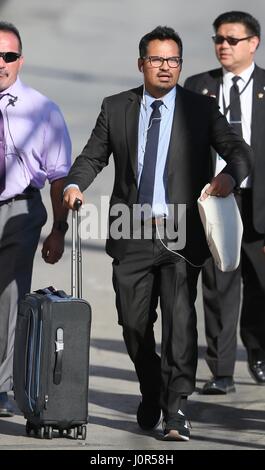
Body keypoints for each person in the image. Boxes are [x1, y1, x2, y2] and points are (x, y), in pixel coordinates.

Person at [63, 25, 252, 441]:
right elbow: (93, 156)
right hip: (130, 231)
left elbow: (238, 150)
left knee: (180, 323)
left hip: (183, 234)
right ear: (141, 64)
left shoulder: (199, 110)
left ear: (180, 65)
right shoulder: (116, 108)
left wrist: (229, 178)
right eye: (157, 60)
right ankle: (152, 387)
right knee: (133, 324)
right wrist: (76, 184)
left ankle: (176, 407)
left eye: (173, 60)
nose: (166, 67)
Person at [184, 11, 265, 394]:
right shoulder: (198, 86)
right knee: (218, 285)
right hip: (219, 200)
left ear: (254, 43)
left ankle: (257, 346)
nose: (223, 46)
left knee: (260, 285)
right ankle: (221, 372)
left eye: (232, 39)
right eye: (218, 39)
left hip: (260, 199)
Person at [0, 22, 71, 417]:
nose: (1, 63)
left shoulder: (43, 110)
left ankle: (1, 386)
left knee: (9, 300)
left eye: (8, 56)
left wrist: (58, 230)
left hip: (20, 209)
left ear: (20, 60)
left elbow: (59, 174)